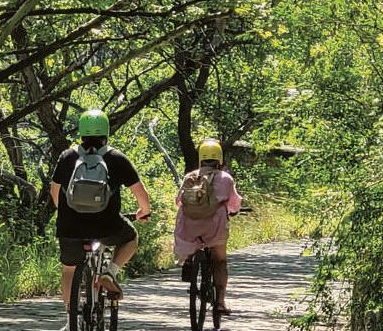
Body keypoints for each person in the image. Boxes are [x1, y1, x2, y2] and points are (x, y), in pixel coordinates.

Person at [50, 108, 152, 309]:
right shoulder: (116, 158)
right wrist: (144, 211)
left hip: (70, 227)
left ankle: (70, 317)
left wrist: (64, 213)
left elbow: (55, 192)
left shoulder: (67, 156)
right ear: (106, 132)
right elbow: (141, 194)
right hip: (107, 226)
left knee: (69, 268)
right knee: (130, 238)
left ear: (81, 132)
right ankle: (109, 273)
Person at [174, 138, 242, 315]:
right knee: (219, 261)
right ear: (219, 158)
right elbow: (234, 204)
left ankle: (189, 260)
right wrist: (233, 211)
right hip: (215, 227)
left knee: (191, 243)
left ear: (200, 158)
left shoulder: (190, 177)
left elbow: (179, 201)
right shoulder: (226, 178)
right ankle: (219, 303)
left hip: (188, 227)